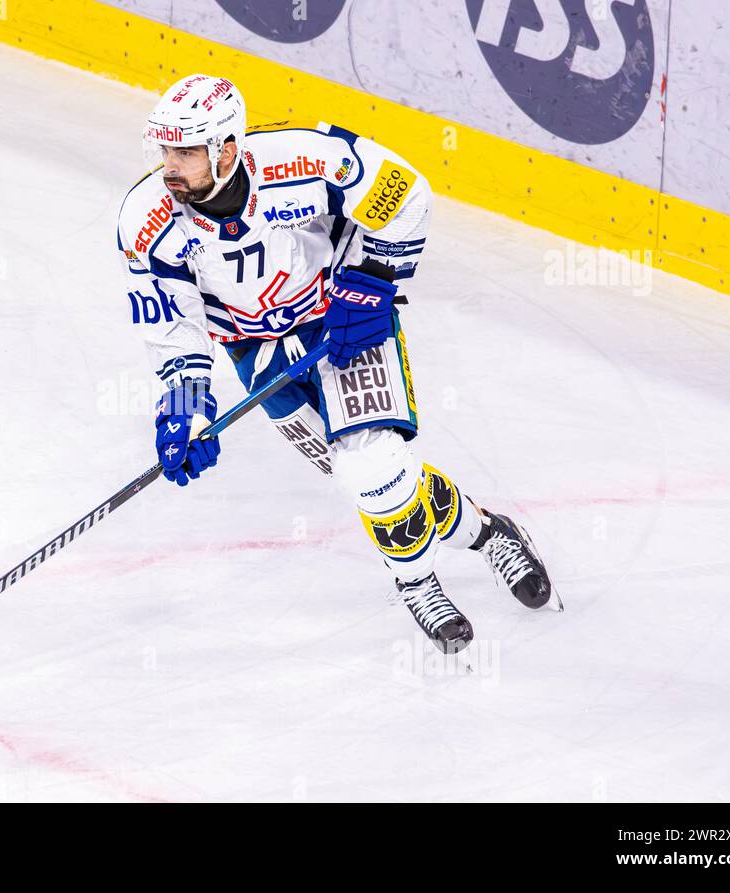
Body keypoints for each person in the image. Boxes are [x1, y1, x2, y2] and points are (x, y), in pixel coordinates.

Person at [116, 74, 556, 653]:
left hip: (342, 322)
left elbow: (406, 193)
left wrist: (373, 281)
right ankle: (486, 532)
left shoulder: (305, 160)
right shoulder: (146, 221)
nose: (170, 167)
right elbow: (174, 328)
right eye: (164, 151)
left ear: (225, 149)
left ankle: (415, 581)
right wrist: (183, 410)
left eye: (186, 152)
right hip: (257, 354)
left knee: (373, 468)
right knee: (368, 480)